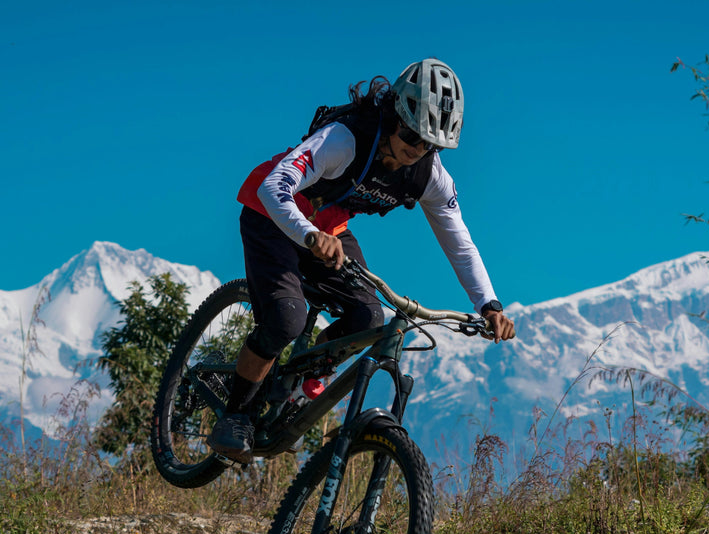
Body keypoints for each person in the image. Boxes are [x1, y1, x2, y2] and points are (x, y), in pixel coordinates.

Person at [208, 58, 516, 463]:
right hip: (273, 214)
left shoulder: (429, 176)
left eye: (428, 143)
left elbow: (459, 241)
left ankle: (299, 387)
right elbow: (274, 185)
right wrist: (308, 234)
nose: (416, 148)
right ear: (395, 114)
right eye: (410, 133)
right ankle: (236, 414)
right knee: (286, 318)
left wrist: (489, 305)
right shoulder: (344, 139)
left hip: (328, 229)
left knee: (368, 318)